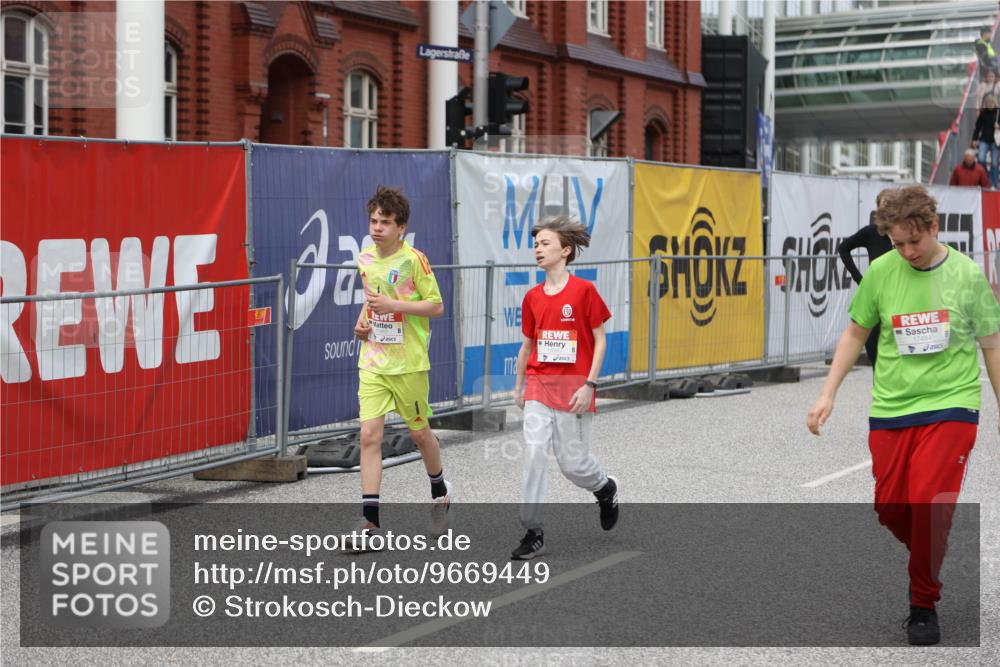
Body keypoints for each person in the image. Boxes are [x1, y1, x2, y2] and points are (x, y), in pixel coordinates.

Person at [807, 185, 1000, 646]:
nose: (908, 252)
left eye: (915, 241)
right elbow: (855, 333)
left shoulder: (967, 275)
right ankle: (931, 547)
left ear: (934, 227)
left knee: (928, 503)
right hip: (892, 407)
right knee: (892, 507)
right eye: (898, 244)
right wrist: (828, 393)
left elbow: (992, 346)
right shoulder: (880, 272)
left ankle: (922, 605)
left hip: (952, 404)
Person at [345, 185, 452, 552]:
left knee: (419, 434)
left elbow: (436, 306)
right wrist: (362, 321)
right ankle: (370, 522)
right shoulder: (364, 259)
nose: (377, 228)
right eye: (374, 221)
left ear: (401, 227)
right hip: (373, 361)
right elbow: (372, 300)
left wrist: (395, 305)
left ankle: (439, 492)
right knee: (368, 436)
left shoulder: (414, 260)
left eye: (385, 222)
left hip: (409, 364)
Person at [511, 215, 619, 560]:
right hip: (539, 384)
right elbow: (528, 345)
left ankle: (604, 487)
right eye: (536, 244)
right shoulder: (532, 297)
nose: (538, 249)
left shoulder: (584, 291)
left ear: (566, 250)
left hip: (575, 388)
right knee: (534, 453)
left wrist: (590, 384)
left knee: (573, 465)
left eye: (545, 243)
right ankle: (533, 531)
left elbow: (600, 340)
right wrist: (519, 386)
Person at [837, 190, 894, 365]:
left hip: (899, 299)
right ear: (877, 209)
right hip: (875, 301)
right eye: (884, 206)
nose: (887, 210)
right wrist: (860, 280)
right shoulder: (871, 232)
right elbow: (843, 248)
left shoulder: (905, 234)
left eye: (891, 205)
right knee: (875, 355)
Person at [971, 94, 1000, 188]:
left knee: (995, 163)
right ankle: (986, 178)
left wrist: (998, 126)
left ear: (995, 103)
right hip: (984, 140)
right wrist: (974, 139)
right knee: (981, 159)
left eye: (991, 103)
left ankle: (994, 183)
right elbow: (977, 127)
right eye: (988, 103)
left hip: (995, 141)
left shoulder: (998, 112)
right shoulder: (983, 113)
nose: (990, 105)